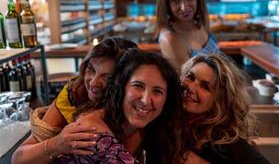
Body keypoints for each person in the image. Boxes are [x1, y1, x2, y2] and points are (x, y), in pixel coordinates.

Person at [12, 37, 138, 164]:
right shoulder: (73, 94)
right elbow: (19, 158)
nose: (93, 82)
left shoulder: (138, 107)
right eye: (91, 70)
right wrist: (56, 144)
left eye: (108, 77)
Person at [50, 49, 185, 164]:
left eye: (157, 91)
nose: (145, 100)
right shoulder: (93, 131)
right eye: (138, 86)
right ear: (121, 88)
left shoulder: (146, 129)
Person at [180, 53, 270, 164]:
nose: (191, 87)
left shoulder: (225, 143)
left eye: (205, 87)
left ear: (219, 100)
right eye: (190, 77)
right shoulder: (172, 124)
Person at [155, 0, 219, 72]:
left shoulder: (198, 23)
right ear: (166, 4)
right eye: (175, 1)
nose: (184, 7)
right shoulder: (170, 38)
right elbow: (187, 85)